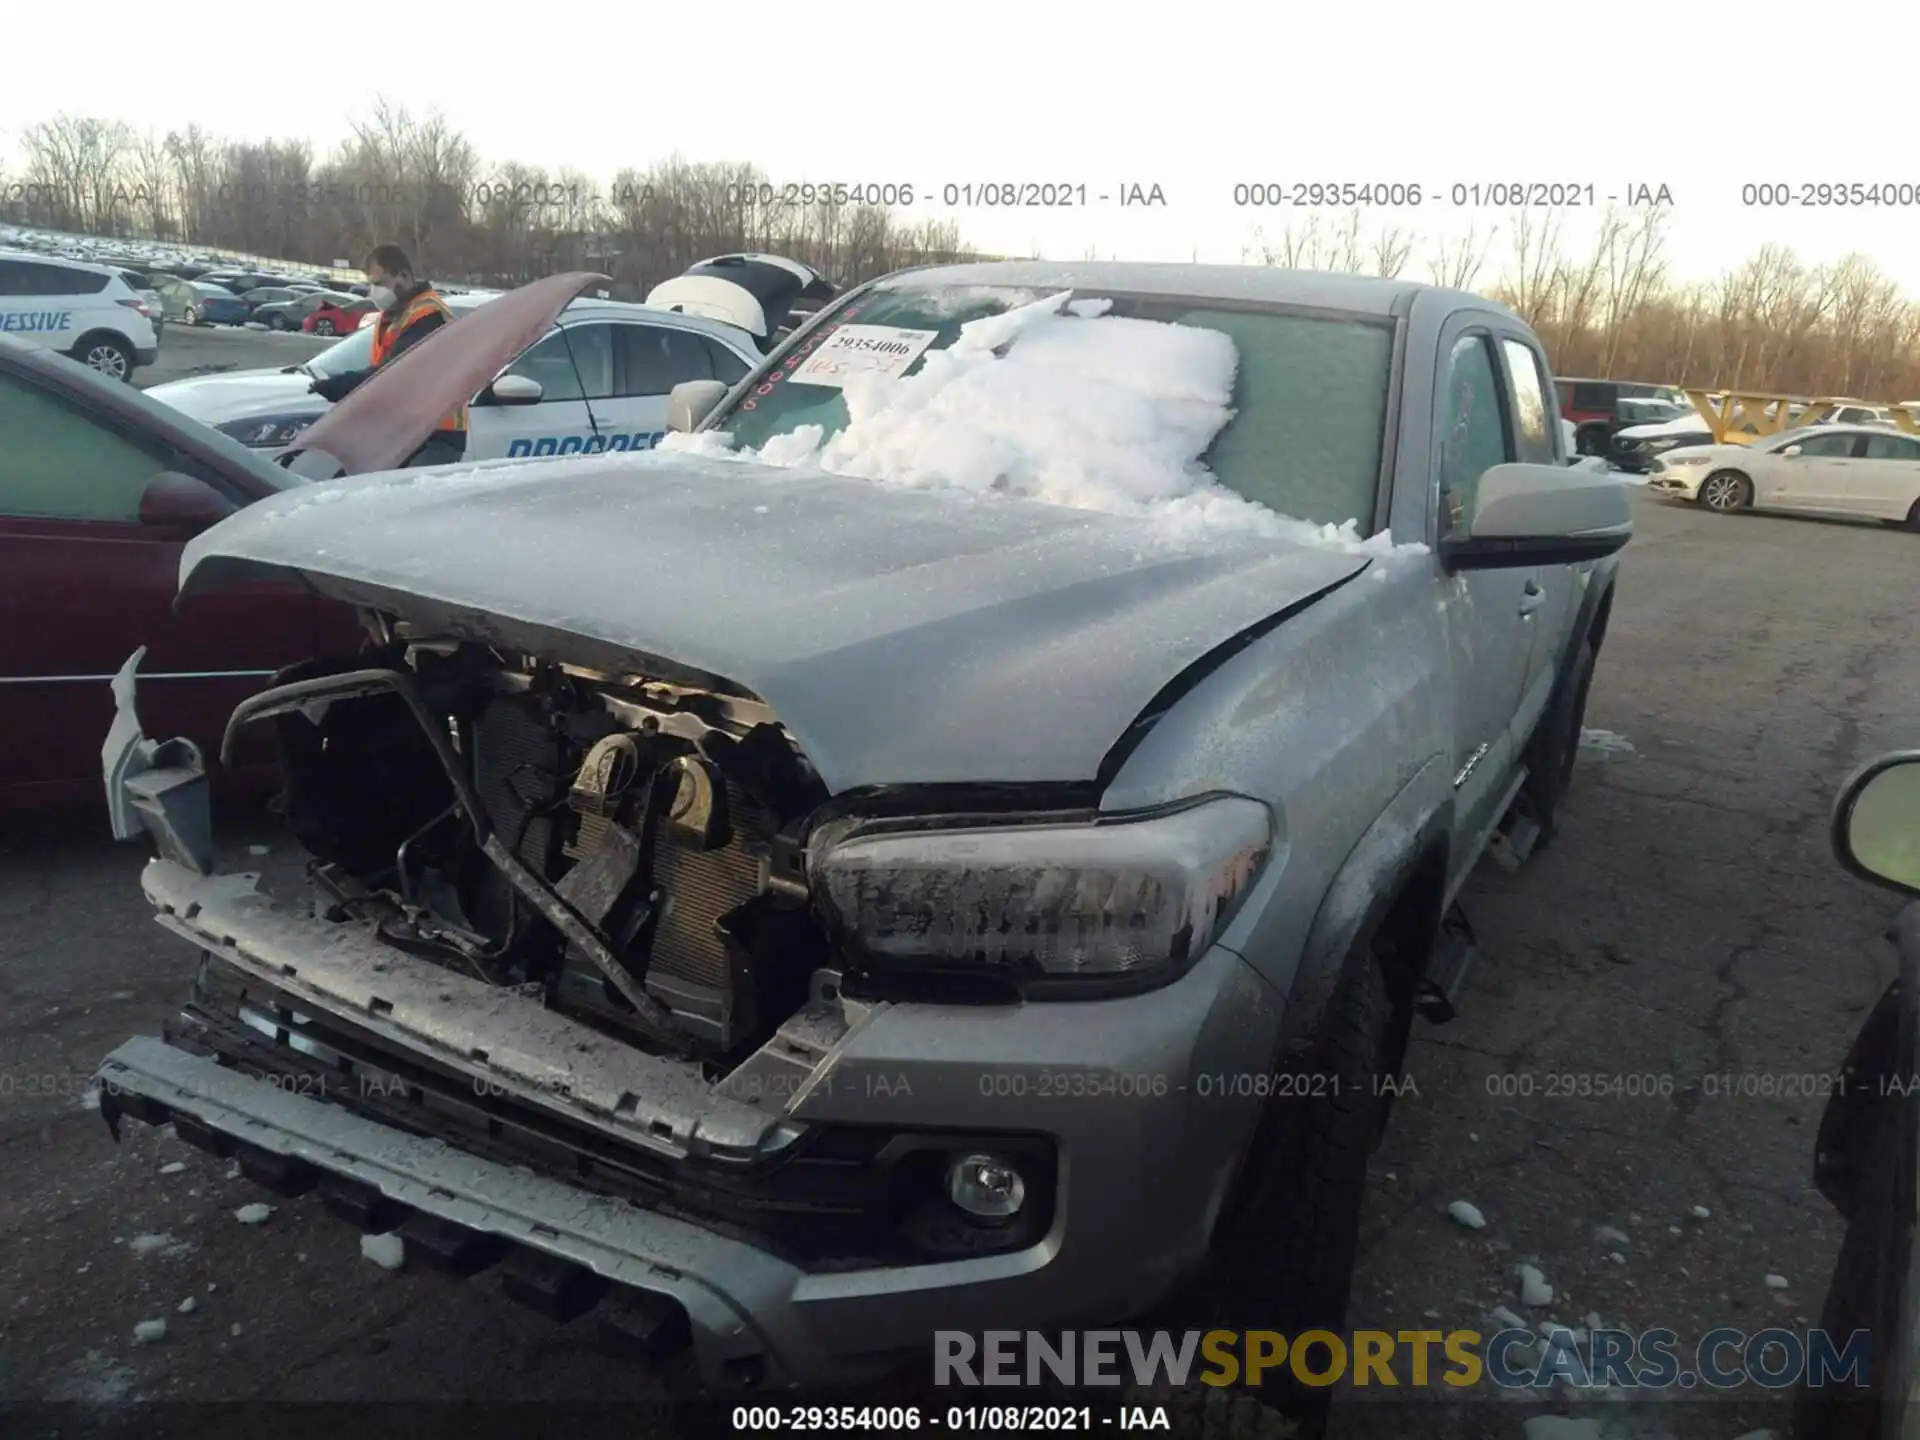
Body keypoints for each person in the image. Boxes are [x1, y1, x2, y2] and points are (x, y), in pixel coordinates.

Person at [308, 244, 467, 467]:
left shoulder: (427, 316)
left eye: (379, 283)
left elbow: (392, 373)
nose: (374, 291)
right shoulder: (396, 315)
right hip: (403, 431)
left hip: (435, 433)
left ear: (403, 276)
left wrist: (340, 385)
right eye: (371, 284)